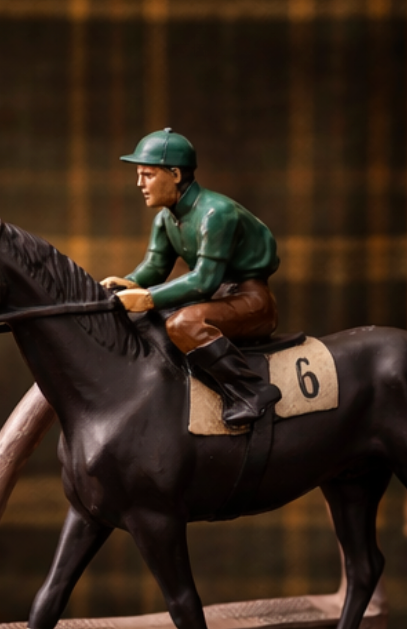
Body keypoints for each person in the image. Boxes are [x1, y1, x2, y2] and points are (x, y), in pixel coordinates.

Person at [100, 128, 283, 426]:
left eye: (147, 175)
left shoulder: (216, 213)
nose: (139, 184)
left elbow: (203, 281)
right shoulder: (165, 218)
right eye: (139, 175)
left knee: (184, 323)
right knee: (150, 321)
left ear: (174, 174)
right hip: (216, 298)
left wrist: (146, 298)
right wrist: (128, 282)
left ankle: (250, 391)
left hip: (250, 299)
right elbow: (154, 267)